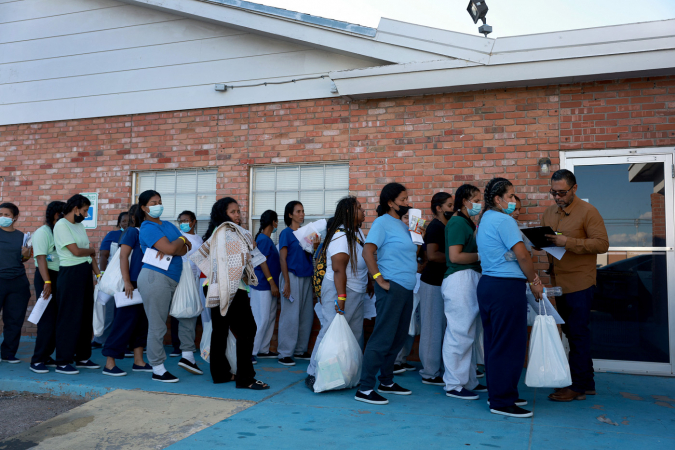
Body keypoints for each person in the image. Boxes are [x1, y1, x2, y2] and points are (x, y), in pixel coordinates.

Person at [476, 178, 543, 418]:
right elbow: (522, 256)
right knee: (509, 345)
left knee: (496, 343)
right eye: (511, 196)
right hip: (505, 288)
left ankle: (500, 394)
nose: (514, 201)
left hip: (490, 286)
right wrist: (535, 281)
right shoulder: (504, 220)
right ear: (498, 199)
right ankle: (502, 401)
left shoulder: (484, 220)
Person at [542, 169, 609, 402]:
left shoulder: (588, 212)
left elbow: (602, 244)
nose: (557, 197)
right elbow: (548, 241)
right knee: (571, 333)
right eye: (553, 193)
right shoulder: (549, 212)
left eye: (562, 192)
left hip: (580, 282)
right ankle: (587, 383)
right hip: (559, 283)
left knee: (578, 334)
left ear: (574, 188)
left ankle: (577, 385)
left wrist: (567, 242)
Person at [357, 183, 418, 405]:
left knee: (398, 336)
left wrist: (417, 233)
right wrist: (378, 279)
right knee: (383, 336)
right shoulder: (382, 223)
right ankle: (364, 388)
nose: (406, 203)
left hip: (407, 287)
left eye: (407, 198)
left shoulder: (403, 226)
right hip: (392, 286)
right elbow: (367, 251)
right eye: (402, 200)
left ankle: (386, 381)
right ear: (390, 203)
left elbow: (413, 253)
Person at [202, 197, 269, 390]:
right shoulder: (227, 232)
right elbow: (235, 262)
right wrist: (249, 249)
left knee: (220, 331)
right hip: (230, 287)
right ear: (223, 214)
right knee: (248, 330)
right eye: (233, 212)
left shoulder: (219, 231)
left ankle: (221, 374)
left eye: (238, 211)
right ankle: (246, 378)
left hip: (215, 285)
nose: (237, 215)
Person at [305, 197, 372, 390]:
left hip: (356, 290)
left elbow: (360, 261)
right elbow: (338, 268)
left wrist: (368, 282)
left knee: (353, 334)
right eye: (359, 208)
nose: (363, 211)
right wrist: (341, 297)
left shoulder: (357, 232)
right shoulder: (341, 236)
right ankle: (313, 372)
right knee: (329, 332)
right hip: (340, 289)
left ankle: (344, 373)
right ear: (349, 213)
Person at [136, 190, 199, 383]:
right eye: (153, 202)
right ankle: (158, 368)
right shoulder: (147, 227)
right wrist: (179, 241)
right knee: (157, 325)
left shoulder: (169, 226)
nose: (158, 205)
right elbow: (174, 248)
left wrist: (176, 245)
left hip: (176, 277)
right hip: (155, 278)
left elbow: (185, 249)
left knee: (187, 313)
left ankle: (187, 356)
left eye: (160, 201)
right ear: (144, 208)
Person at [441, 184, 487, 399]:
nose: (479, 203)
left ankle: (468, 380)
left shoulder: (467, 222)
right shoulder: (458, 222)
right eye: (475, 199)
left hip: (470, 278)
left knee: (468, 333)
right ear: (464, 202)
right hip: (460, 279)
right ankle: (454, 384)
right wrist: (481, 256)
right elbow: (456, 257)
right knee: (459, 333)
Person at [53, 194, 101, 374]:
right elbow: (77, 251)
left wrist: (98, 275)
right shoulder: (61, 225)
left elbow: (89, 254)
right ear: (75, 209)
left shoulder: (79, 226)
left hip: (84, 272)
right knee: (69, 318)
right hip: (70, 274)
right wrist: (91, 250)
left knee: (84, 316)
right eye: (85, 210)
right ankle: (63, 361)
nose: (86, 214)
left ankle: (82, 357)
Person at [101, 205, 152, 376]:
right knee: (123, 322)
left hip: (145, 283)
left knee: (140, 324)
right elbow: (123, 256)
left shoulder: (150, 232)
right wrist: (127, 281)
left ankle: (139, 361)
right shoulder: (132, 232)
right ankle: (109, 363)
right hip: (131, 284)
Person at [417, 192, 453, 385]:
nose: (452, 209)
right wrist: (456, 258)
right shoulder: (435, 227)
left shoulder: (446, 226)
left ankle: (438, 369)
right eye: (449, 205)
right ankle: (429, 373)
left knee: (441, 327)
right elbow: (432, 255)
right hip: (432, 283)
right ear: (438, 208)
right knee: (432, 328)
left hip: (443, 282)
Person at [277, 201, 319, 366]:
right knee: (290, 315)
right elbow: (283, 258)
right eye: (298, 211)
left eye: (303, 211)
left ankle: (300, 350)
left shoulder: (306, 233)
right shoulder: (286, 233)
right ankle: (284, 353)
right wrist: (286, 282)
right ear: (290, 215)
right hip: (292, 277)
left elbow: (311, 256)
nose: (302, 214)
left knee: (306, 315)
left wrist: (315, 247)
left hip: (306, 277)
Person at [29, 201, 66, 373]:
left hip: (60, 276)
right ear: (54, 214)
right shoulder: (43, 232)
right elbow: (41, 258)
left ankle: (47, 355)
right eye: (61, 214)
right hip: (47, 276)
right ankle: (37, 360)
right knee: (47, 319)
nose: (64, 217)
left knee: (58, 319)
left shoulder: (61, 230)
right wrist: (47, 282)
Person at [0, 203, 32, 365]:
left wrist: (26, 255)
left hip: (17, 282)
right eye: (1, 214)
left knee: (14, 320)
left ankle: (8, 353)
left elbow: (24, 259)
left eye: (6, 215)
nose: (3, 217)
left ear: (15, 217)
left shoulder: (22, 236)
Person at [170, 210, 204, 358]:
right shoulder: (178, 237)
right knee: (179, 308)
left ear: (193, 221)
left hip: (195, 278)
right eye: (181, 221)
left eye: (186, 220)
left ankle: (188, 345)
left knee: (192, 310)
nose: (183, 223)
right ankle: (177, 346)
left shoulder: (199, 239)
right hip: (181, 276)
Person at [92, 211, 129, 348]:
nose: (126, 223)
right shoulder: (113, 235)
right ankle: (99, 339)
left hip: (128, 277)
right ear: (119, 223)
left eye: (129, 221)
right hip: (111, 277)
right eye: (123, 221)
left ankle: (121, 342)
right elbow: (103, 255)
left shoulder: (135, 234)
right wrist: (101, 275)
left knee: (123, 311)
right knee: (107, 309)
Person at [251, 210, 281, 361]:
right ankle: (251, 352)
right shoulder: (263, 239)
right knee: (261, 319)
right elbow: (260, 262)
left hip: (271, 286)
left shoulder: (267, 240)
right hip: (263, 284)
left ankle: (263, 349)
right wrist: (271, 282)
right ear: (273, 222)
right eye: (276, 222)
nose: (277, 224)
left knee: (269, 318)